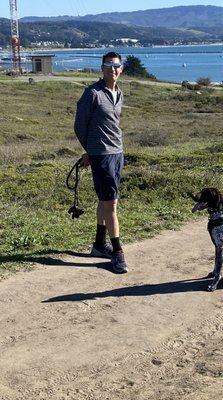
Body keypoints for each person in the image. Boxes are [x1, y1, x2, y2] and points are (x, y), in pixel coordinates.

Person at [74, 51, 128, 273]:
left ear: (121, 69)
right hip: (102, 155)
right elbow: (80, 126)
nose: (113, 69)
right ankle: (117, 252)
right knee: (111, 204)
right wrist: (92, 151)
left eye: (116, 66)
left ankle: (98, 244)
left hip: (117, 153)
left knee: (105, 200)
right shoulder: (92, 94)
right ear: (102, 69)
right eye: (108, 66)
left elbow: (110, 125)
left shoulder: (119, 93)